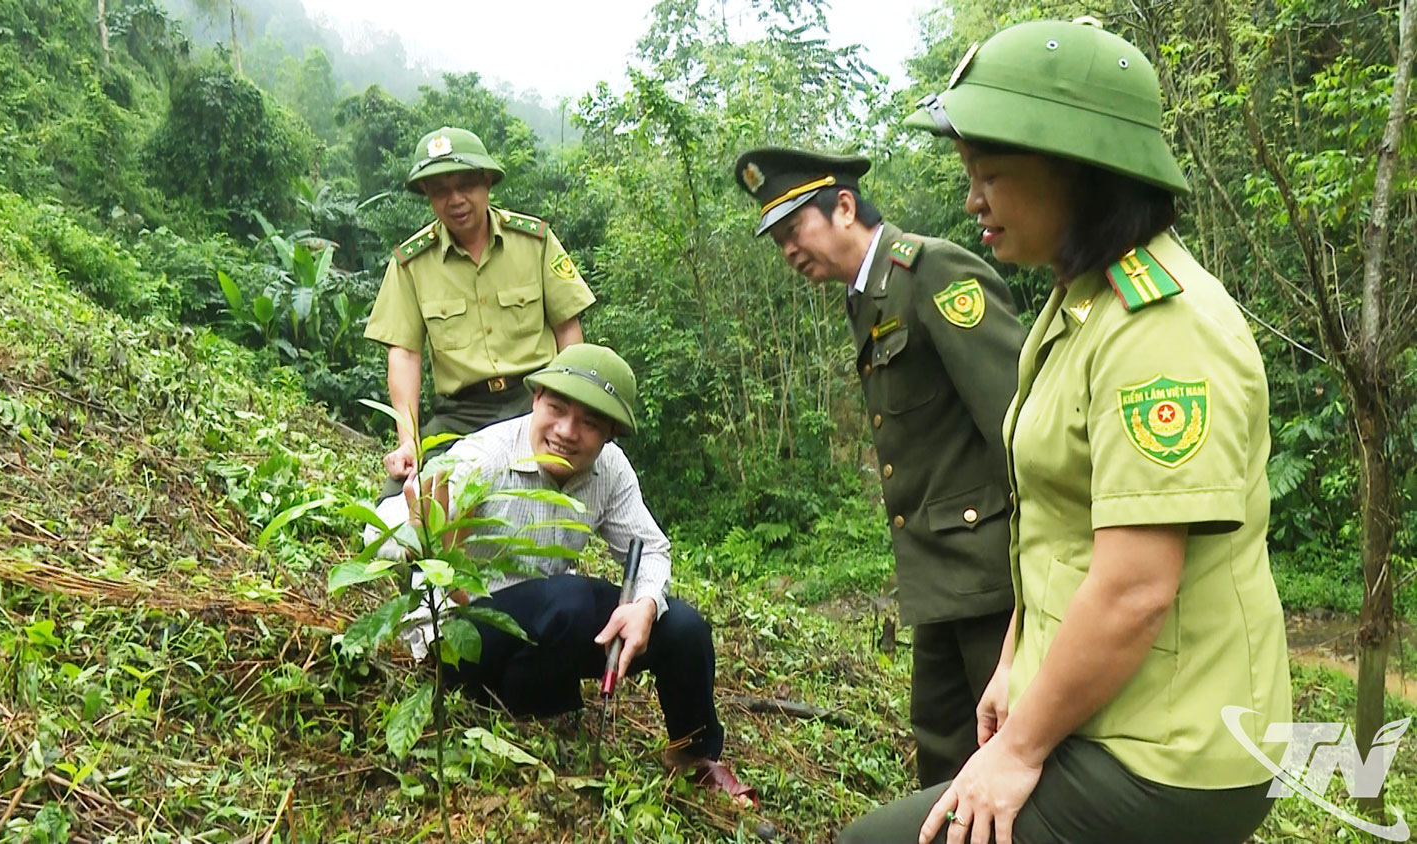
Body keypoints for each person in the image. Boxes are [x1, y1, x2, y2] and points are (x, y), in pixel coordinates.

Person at [838, 18, 1292, 844]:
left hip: (1174, 750)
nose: (972, 198)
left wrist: (1018, 750)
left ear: (1082, 172)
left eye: (994, 174)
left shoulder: (1161, 329)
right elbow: (1059, 520)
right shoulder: (1080, 301)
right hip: (1112, 713)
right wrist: (1016, 660)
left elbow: (1135, 587)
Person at [733, 148, 1024, 788]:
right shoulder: (864, 296)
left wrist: (1044, 573)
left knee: (1012, 755)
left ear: (843, 206)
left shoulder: (931, 272)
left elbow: (1020, 428)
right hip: (937, 575)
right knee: (945, 753)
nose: (787, 251)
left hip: (992, 575)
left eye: (793, 230)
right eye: (777, 240)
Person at [394, 343, 756, 806]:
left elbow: (651, 549)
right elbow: (382, 529)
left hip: (544, 630)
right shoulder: (482, 457)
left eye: (589, 422)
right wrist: (425, 528)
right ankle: (511, 697)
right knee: (570, 600)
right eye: (557, 408)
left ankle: (693, 753)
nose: (566, 431)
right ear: (535, 399)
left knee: (683, 628)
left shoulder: (610, 472)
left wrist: (644, 607)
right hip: (464, 636)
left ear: (609, 434)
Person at [364, 126, 596, 501]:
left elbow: (568, 329)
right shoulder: (412, 264)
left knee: (590, 479)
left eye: (466, 185)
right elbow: (405, 355)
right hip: (461, 416)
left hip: (535, 399)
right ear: (427, 194)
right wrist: (408, 442)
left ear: (487, 181)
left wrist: (570, 409)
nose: (455, 199)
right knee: (399, 499)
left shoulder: (534, 242)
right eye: (440, 190)